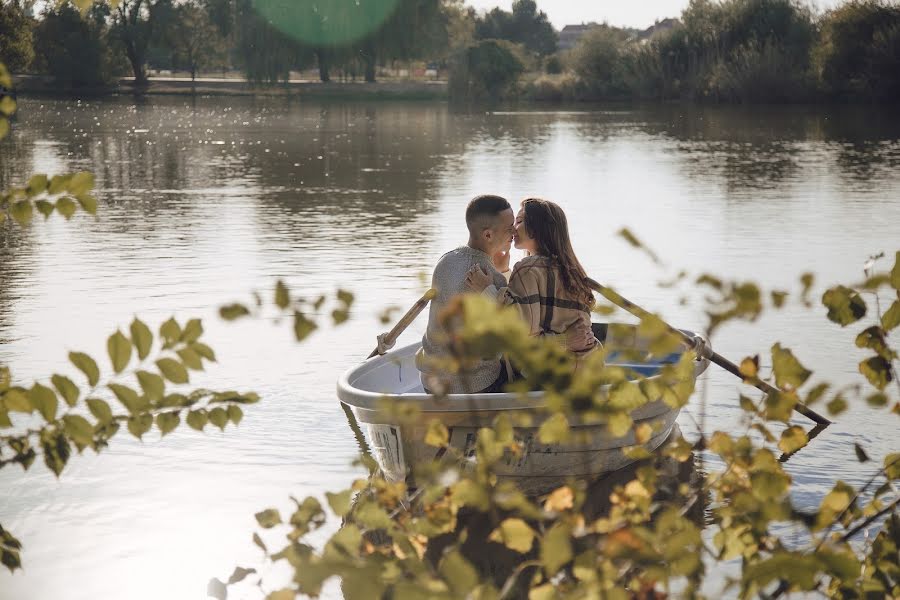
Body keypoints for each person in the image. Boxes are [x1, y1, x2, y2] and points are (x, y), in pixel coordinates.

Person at [466, 197, 598, 362]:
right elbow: (531, 307)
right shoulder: (572, 271)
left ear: (537, 228)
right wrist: (504, 272)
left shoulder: (528, 269)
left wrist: (487, 290)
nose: (513, 229)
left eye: (519, 221)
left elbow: (520, 333)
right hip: (587, 367)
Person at [417, 194, 515, 394]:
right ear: (488, 235)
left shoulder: (445, 261)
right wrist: (503, 274)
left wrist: (499, 268)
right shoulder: (492, 279)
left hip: (431, 383)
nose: (514, 232)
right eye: (509, 228)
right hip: (476, 385)